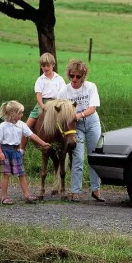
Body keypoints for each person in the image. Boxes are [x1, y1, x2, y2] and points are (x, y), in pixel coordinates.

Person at [57, 59, 104, 202]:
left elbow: (92, 108)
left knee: (94, 156)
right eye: (72, 76)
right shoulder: (64, 90)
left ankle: (95, 189)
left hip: (91, 123)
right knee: (78, 158)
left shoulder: (90, 87)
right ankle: (75, 191)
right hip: (75, 127)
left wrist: (79, 114)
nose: (74, 79)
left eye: (78, 76)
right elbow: (60, 110)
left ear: (83, 76)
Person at [0, 100, 51, 205]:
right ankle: (4, 198)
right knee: (6, 175)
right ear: (12, 114)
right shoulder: (3, 126)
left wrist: (43, 143)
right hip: (5, 152)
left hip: (16, 152)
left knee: (22, 174)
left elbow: (32, 135)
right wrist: (0, 152)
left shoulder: (22, 125)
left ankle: (27, 196)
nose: (22, 115)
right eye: (20, 113)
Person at [22, 52, 66, 153]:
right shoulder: (40, 80)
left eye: (48, 65)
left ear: (53, 65)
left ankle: (67, 144)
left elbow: (63, 93)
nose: (46, 68)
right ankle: (21, 150)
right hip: (43, 103)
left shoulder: (59, 79)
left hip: (56, 103)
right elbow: (38, 95)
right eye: (43, 65)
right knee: (25, 126)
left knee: (67, 122)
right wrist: (42, 106)